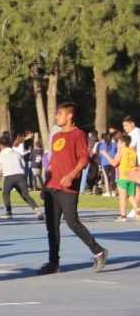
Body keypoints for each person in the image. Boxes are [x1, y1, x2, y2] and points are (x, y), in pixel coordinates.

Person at [37, 102, 108, 275]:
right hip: (52, 186)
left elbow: (83, 160)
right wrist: (46, 184)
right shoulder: (56, 136)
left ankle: (99, 251)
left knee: (72, 222)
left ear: (69, 116)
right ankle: (54, 263)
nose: (56, 116)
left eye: (59, 113)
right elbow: (53, 163)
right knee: (51, 226)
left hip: (68, 188)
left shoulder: (78, 135)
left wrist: (71, 175)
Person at [0, 135, 43, 220]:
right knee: (25, 195)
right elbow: (23, 164)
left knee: (5, 193)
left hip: (8, 176)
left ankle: (8, 212)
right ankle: (37, 210)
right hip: (20, 175)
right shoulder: (16, 153)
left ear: (0, 145)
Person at [100, 133, 139, 221]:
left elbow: (114, 163)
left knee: (122, 197)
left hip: (123, 177)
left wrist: (106, 154)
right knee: (130, 195)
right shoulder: (133, 152)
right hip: (132, 177)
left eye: (119, 142)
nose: (117, 144)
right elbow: (137, 165)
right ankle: (136, 207)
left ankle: (122, 215)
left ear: (123, 143)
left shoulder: (121, 151)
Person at [96, 133, 117, 197]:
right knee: (113, 177)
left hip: (105, 162)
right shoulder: (114, 144)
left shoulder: (102, 145)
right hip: (113, 161)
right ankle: (113, 191)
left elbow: (100, 154)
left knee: (106, 177)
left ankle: (108, 191)